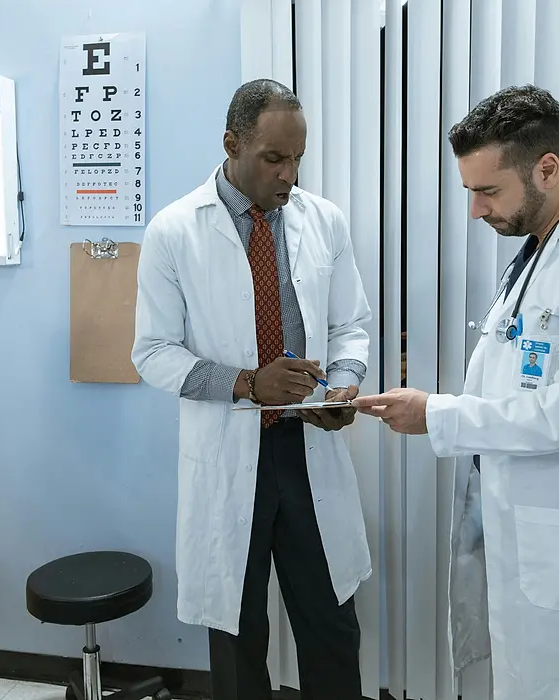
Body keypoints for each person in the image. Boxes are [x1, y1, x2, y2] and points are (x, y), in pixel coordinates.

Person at [354, 84, 559, 700]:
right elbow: (515, 379)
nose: (475, 210)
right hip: (524, 538)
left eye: (487, 191)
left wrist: (438, 415)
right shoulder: (538, 249)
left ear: (547, 168)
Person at [131, 78, 372, 700]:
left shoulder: (324, 222)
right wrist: (247, 384)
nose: (289, 175)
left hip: (306, 452)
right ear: (231, 144)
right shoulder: (174, 231)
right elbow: (152, 354)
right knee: (239, 641)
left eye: (297, 158)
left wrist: (341, 386)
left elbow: (351, 325)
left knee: (331, 628)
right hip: (229, 456)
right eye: (273, 158)